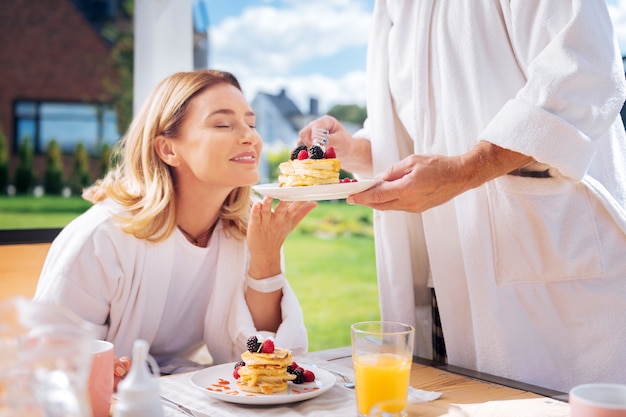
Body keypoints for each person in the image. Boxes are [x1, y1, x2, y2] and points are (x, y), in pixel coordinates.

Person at [299, 1, 626, 392]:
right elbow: (418, 129)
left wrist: (466, 170)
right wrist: (353, 148)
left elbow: (581, 73)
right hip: (445, 277)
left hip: (547, 263)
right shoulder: (395, 8)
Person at [35, 69, 317, 385]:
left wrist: (266, 260)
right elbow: (49, 356)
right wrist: (98, 372)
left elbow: (265, 362)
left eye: (251, 124)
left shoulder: (247, 227)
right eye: (223, 124)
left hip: (186, 394)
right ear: (169, 149)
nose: (250, 136)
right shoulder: (102, 238)